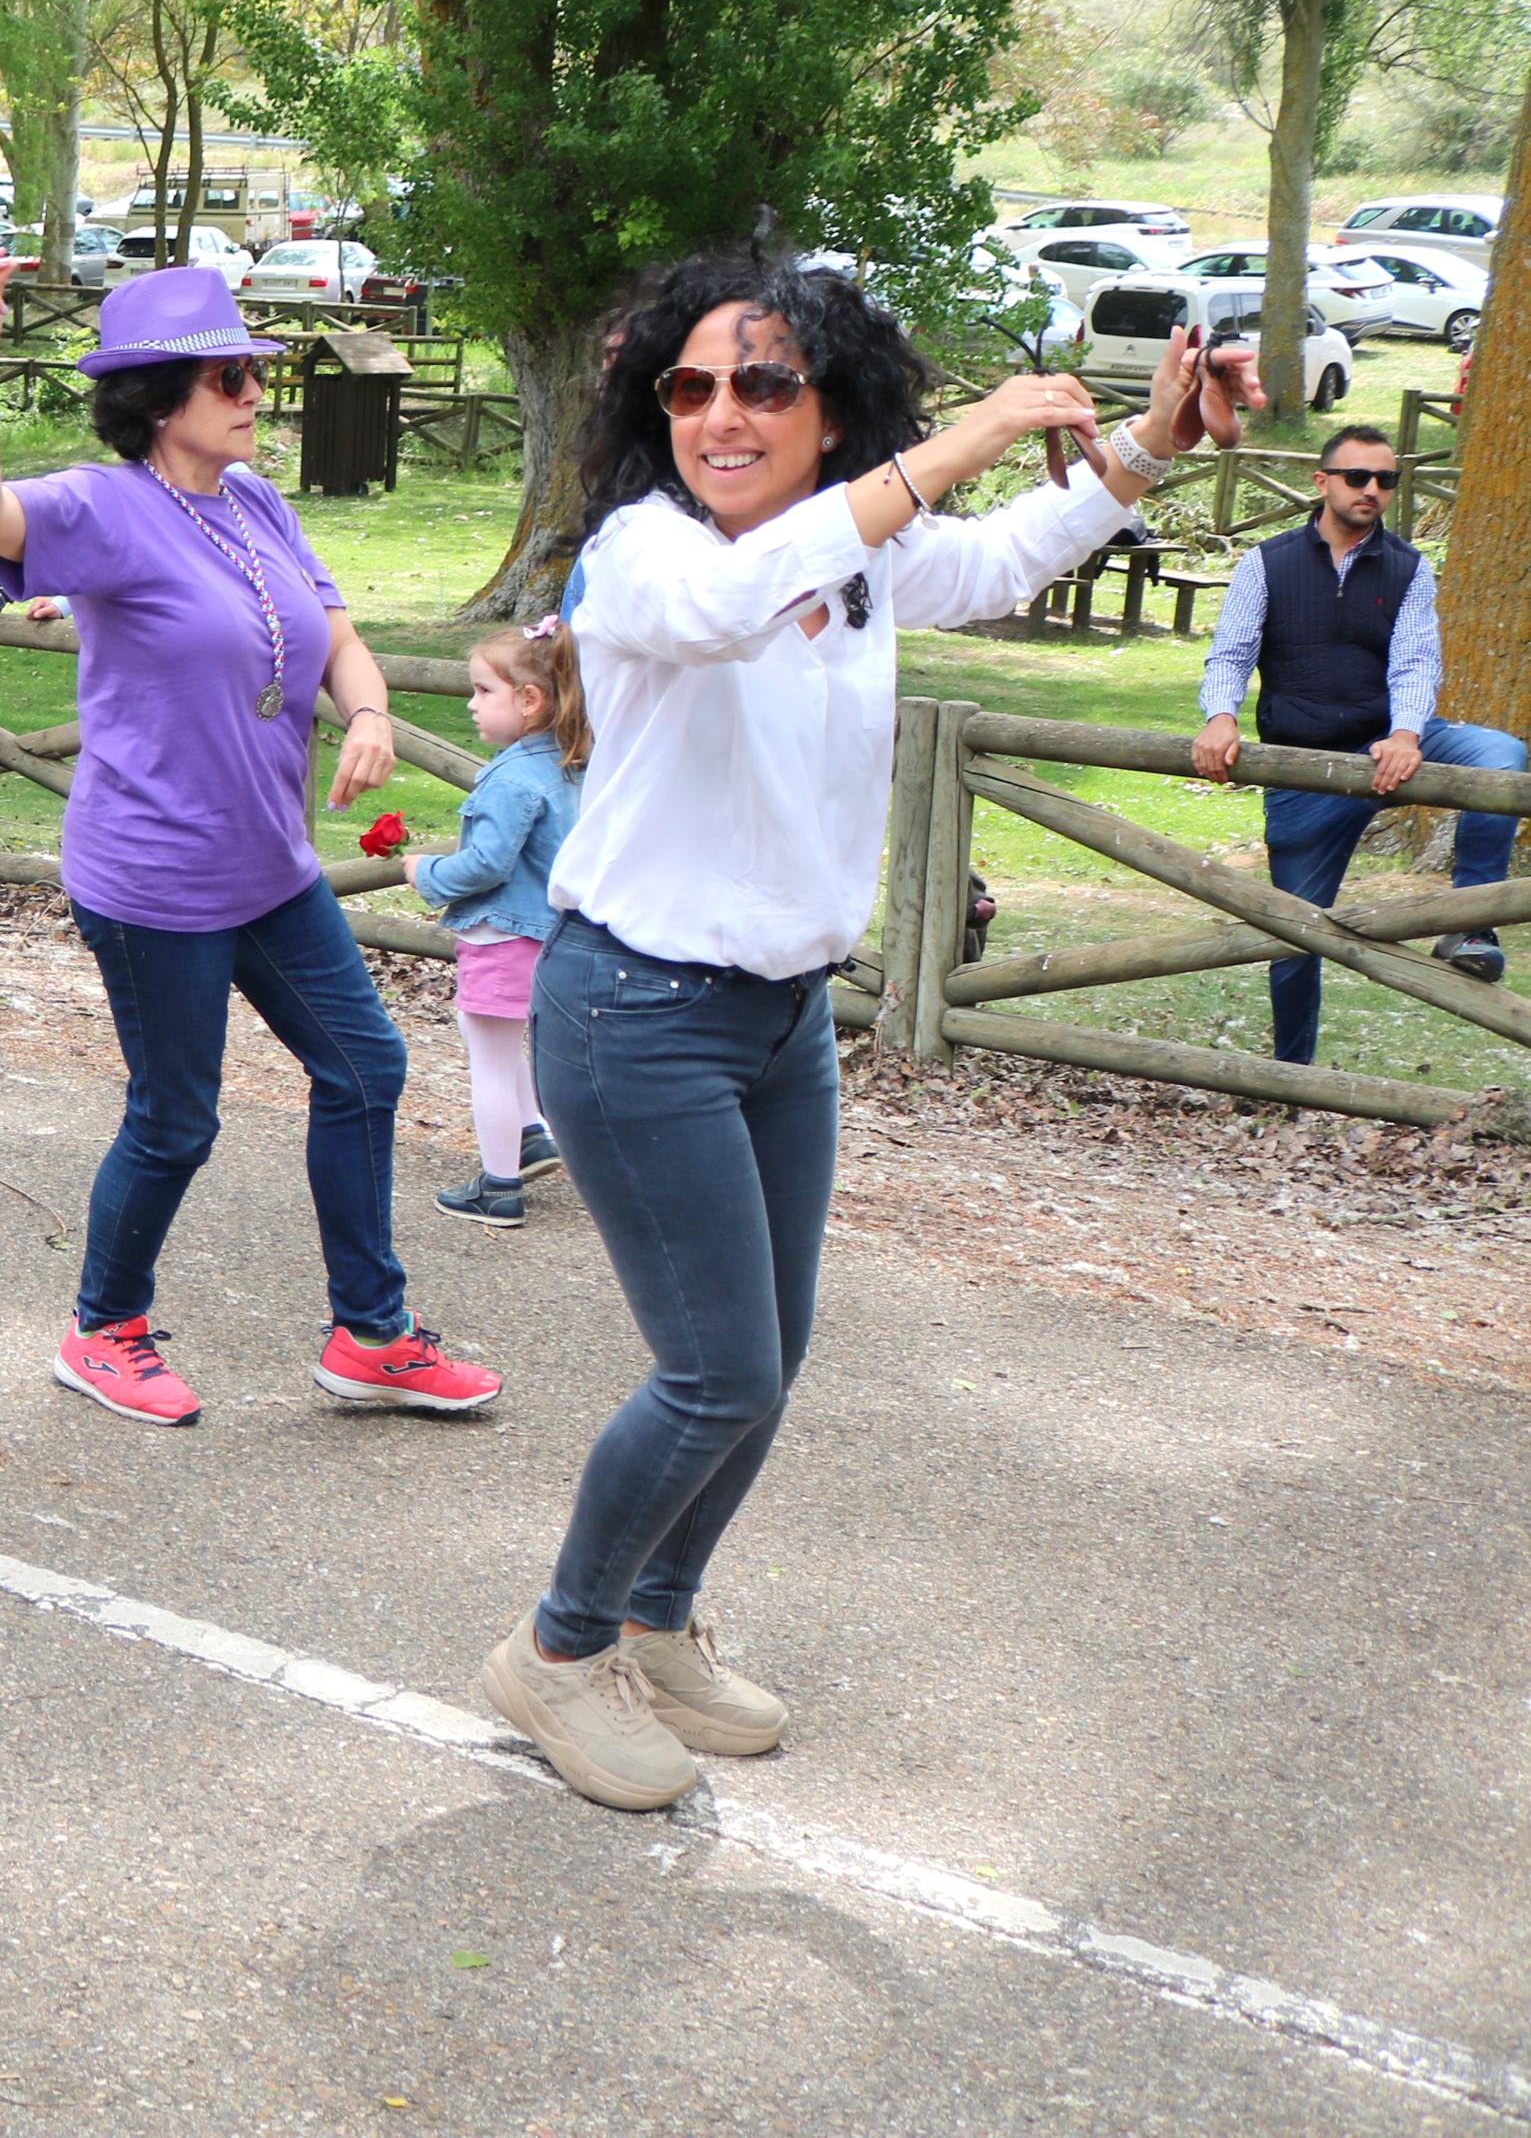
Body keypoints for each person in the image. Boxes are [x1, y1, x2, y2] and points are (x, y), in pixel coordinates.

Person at [486, 253, 1204, 1815]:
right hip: (635, 1012)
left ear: (829, 406)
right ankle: (556, 1651)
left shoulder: (855, 549)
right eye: (687, 385)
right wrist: (957, 441)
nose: (719, 413)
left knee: (770, 1357)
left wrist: (1144, 446)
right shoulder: (640, 555)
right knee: (714, 1368)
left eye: (762, 382)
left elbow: (997, 559)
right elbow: (735, 601)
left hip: (779, 1019)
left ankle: (658, 1618)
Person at [0, 258, 498, 1432]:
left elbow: (336, 633)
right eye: (227, 375)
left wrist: (369, 711)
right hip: (153, 878)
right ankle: (102, 1331)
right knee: (175, 1117)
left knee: (364, 1068)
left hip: (268, 869)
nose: (253, 392)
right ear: (157, 398)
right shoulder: (104, 505)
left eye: (253, 371)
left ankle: (370, 1335)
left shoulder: (257, 504)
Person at [1192, 420, 1523, 1060]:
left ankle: (1470, 928)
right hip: (1303, 769)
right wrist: (1220, 717)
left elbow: (1416, 664)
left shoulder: (1409, 568)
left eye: (1385, 479)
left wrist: (1405, 733)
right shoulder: (1267, 563)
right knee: (1294, 938)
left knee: (1502, 758)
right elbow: (1230, 654)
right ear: (1323, 482)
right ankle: (1291, 1080)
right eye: (1357, 476)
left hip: (1388, 747)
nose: (1372, 489)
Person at [406, 622, 585, 1227]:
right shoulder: (574, 766)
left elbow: (486, 864)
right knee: (497, 1036)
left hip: (504, 934)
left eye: (484, 691)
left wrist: (426, 872)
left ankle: (499, 1186)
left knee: (488, 1055)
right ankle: (532, 1134)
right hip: (557, 937)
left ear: (529, 700)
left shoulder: (511, 777)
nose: (471, 704)